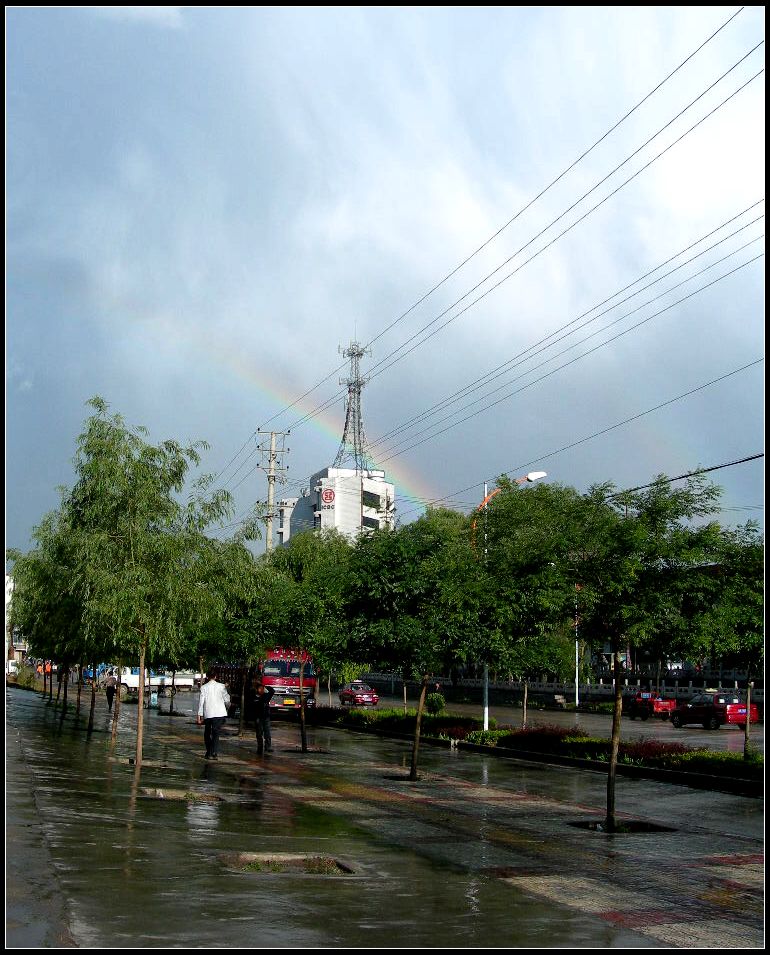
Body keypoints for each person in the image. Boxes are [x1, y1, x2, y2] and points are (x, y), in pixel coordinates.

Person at [197, 669, 230, 760]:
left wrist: (199, 715)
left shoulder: (203, 687)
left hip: (208, 713)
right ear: (216, 676)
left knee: (207, 733)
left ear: (207, 677)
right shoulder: (221, 686)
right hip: (219, 713)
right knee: (216, 733)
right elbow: (227, 699)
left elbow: (201, 702)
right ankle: (214, 752)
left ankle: (209, 751)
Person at [252, 680, 275, 754]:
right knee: (259, 733)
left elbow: (272, 691)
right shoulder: (254, 696)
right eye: (259, 689)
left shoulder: (266, 696)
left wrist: (265, 686)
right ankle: (260, 747)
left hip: (266, 717)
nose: (261, 690)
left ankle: (268, 747)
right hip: (258, 717)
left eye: (262, 689)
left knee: (267, 732)